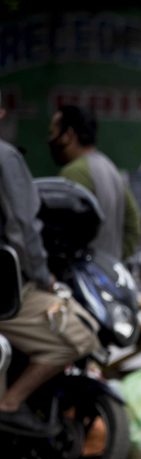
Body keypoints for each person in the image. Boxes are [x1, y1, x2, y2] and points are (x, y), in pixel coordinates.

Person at [0, 95, 102, 435]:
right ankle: (11, 402)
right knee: (77, 334)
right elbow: (23, 227)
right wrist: (43, 277)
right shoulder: (6, 157)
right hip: (9, 294)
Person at [48, 104, 141, 261]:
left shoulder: (74, 173)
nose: (50, 140)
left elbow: (63, 235)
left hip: (82, 274)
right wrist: (114, 259)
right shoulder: (110, 168)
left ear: (68, 135)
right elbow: (134, 225)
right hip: (106, 273)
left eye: (52, 133)